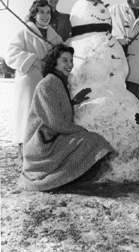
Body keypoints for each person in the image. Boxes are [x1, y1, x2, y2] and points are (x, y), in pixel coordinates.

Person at [18, 44, 113, 191]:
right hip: (42, 146)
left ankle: (68, 179)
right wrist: (81, 130)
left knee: (91, 141)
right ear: (54, 62)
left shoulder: (58, 81)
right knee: (92, 140)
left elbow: (56, 109)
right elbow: (55, 122)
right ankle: (58, 180)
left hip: (53, 138)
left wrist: (73, 102)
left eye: (71, 60)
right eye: (64, 60)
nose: (70, 64)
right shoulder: (47, 84)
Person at [5, 0, 63, 165]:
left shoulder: (54, 36)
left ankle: (40, 156)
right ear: (34, 14)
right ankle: (23, 156)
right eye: (41, 12)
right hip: (29, 81)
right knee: (26, 117)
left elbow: (62, 52)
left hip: (46, 83)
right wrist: (34, 60)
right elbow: (11, 54)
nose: (45, 16)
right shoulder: (23, 32)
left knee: (43, 117)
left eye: (48, 12)